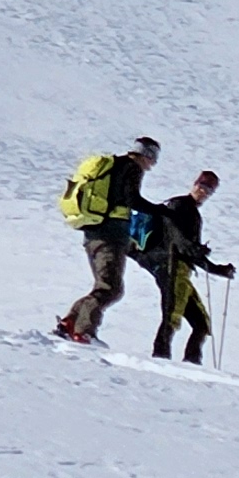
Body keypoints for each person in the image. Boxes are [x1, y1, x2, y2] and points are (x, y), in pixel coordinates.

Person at [52, 136, 159, 345]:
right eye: (153, 158)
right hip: (110, 236)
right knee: (111, 288)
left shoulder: (113, 165)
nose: (152, 164)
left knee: (103, 286)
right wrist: (159, 211)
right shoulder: (132, 167)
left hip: (93, 234)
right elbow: (131, 199)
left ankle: (70, 323)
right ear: (147, 154)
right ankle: (83, 332)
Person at [147, 169, 237, 364]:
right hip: (172, 266)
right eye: (202, 186)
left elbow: (190, 250)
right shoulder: (179, 205)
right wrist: (195, 250)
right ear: (194, 184)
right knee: (172, 314)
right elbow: (177, 239)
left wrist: (217, 269)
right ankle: (160, 357)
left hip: (182, 270)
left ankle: (192, 362)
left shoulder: (192, 212)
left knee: (202, 324)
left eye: (208, 190)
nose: (203, 192)